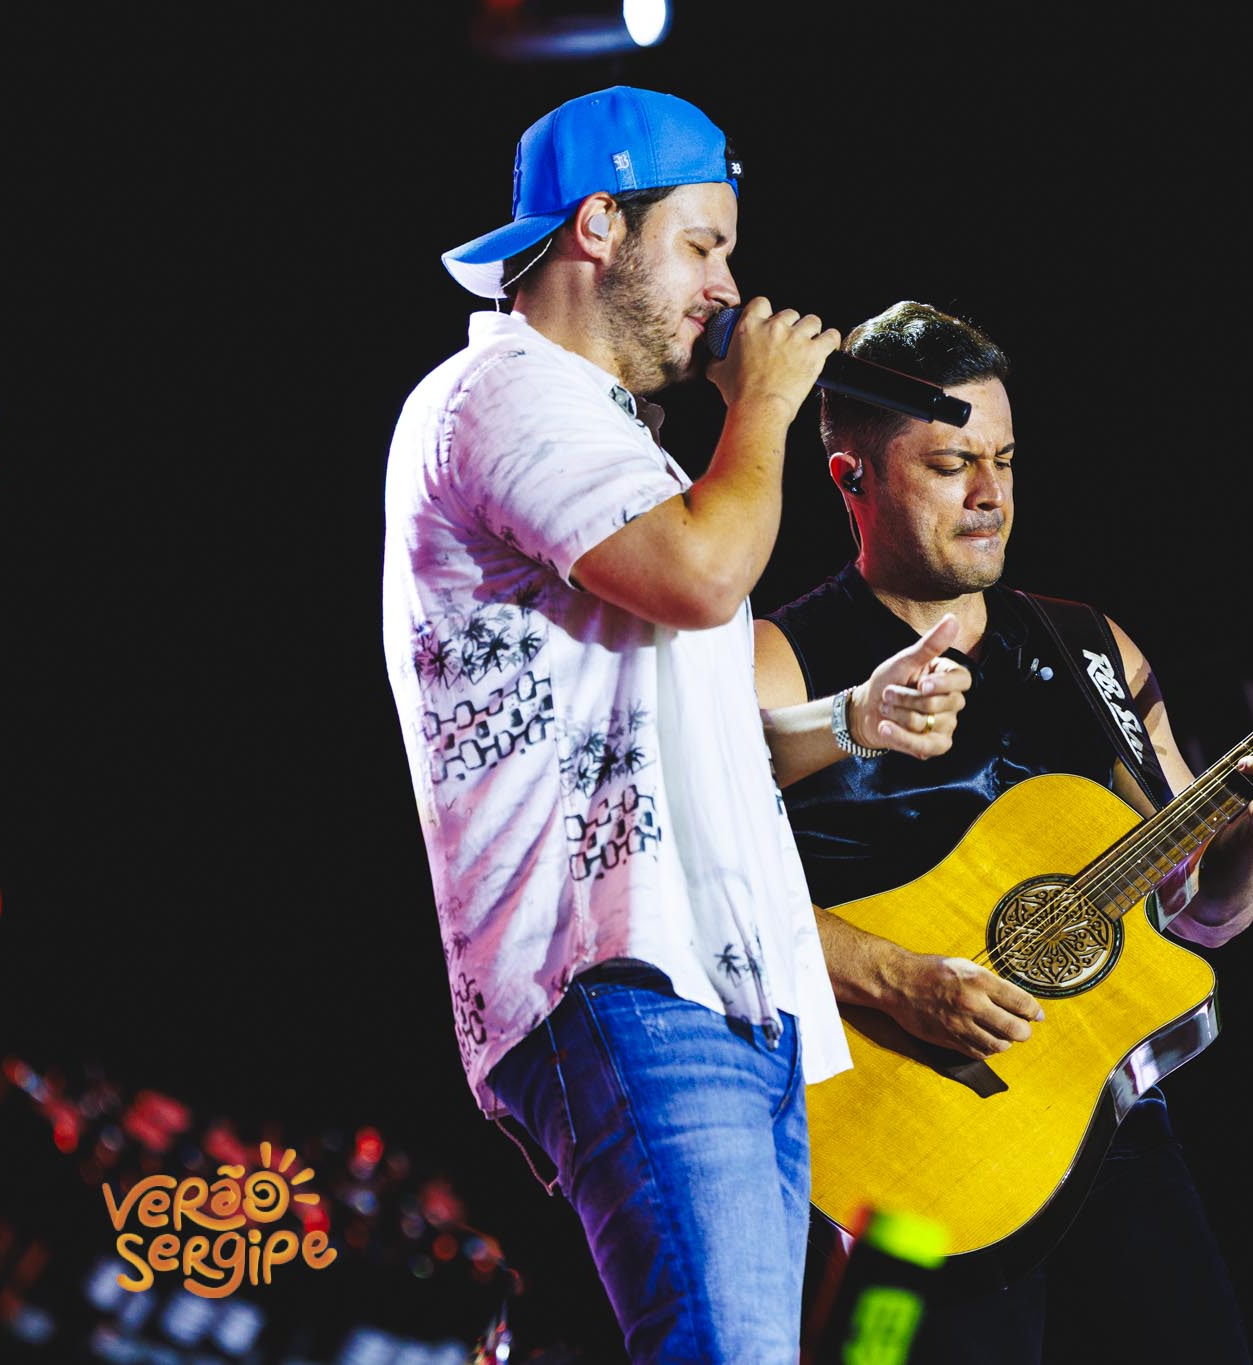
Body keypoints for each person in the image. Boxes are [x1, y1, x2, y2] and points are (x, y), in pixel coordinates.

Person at [381, 90, 972, 1363]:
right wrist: (762, 407)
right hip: (620, 979)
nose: (727, 288)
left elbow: (691, 740)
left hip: (721, 983)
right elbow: (703, 575)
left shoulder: (615, 446)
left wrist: (848, 721)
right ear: (599, 225)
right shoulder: (502, 391)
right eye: (703, 245)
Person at [755, 301, 1253, 1362]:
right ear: (853, 478)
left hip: (1103, 1120)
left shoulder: (1092, 648)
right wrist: (897, 979)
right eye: (951, 465)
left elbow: (1201, 916)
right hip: (895, 1153)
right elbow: (707, 905)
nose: (990, 494)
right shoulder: (779, 662)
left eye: (1006, 459)